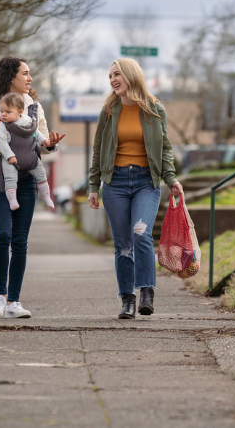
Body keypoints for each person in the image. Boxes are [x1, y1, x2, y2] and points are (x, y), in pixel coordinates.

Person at [0, 57, 65, 319]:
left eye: (30, 74)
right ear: (10, 76)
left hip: (27, 179)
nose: (30, 79)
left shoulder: (34, 107)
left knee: (20, 240)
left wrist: (51, 144)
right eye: (25, 74)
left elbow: (41, 140)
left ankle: (14, 302)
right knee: (3, 234)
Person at [87, 58, 184, 319]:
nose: (112, 80)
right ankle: (127, 299)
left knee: (141, 234)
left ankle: (147, 291)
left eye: (117, 74)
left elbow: (165, 148)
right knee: (123, 245)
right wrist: (94, 186)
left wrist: (171, 178)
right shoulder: (108, 110)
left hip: (145, 182)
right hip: (115, 183)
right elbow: (98, 151)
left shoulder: (154, 109)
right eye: (110, 76)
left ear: (130, 75)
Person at [0, 92, 55, 211]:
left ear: (20, 112)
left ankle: (46, 196)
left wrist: (44, 141)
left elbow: (36, 133)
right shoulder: (3, 126)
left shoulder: (28, 121)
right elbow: (2, 142)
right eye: (1, 111)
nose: (3, 115)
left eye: (8, 112)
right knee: (10, 178)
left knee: (41, 175)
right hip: (12, 160)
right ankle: (12, 200)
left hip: (30, 158)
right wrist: (9, 156)